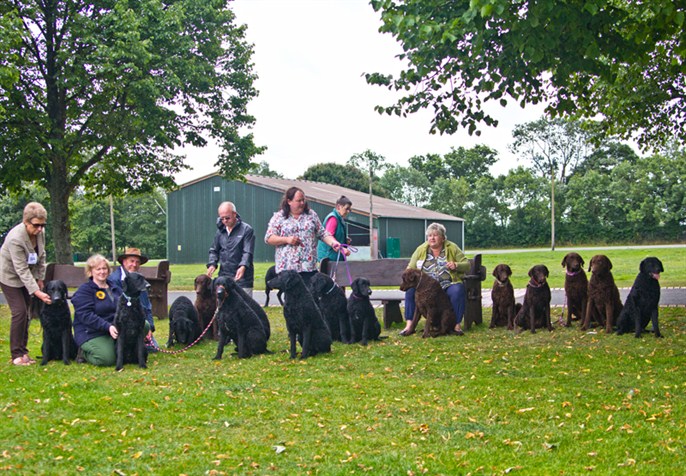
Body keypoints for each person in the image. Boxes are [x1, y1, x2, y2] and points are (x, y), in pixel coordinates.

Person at [0, 202, 52, 366]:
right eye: (36, 225)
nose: (40, 229)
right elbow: (20, 269)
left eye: (43, 225)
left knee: (28, 313)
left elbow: (41, 256)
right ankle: (16, 354)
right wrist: (37, 292)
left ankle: (24, 351)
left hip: (28, 275)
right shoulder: (16, 238)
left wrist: (40, 278)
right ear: (26, 222)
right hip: (10, 276)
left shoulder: (40, 233)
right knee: (20, 312)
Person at [399, 222, 470, 336]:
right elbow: (410, 268)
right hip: (425, 288)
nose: (432, 238)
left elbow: (467, 265)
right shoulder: (421, 249)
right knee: (410, 291)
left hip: (447, 285)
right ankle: (409, 325)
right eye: (430, 235)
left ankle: (456, 325)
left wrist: (456, 265)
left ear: (442, 237)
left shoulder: (452, 247)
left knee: (458, 290)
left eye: (435, 235)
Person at [265, 187, 342, 283]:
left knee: (310, 296)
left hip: (308, 268)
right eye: (299, 201)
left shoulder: (311, 215)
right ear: (289, 201)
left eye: (303, 200)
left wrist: (334, 243)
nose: (302, 203)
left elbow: (322, 233)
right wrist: (286, 239)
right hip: (288, 269)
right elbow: (269, 238)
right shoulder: (279, 217)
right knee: (292, 297)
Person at [71, 254, 121, 366]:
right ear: (90, 271)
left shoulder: (115, 288)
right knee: (107, 359)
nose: (102, 272)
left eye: (104, 268)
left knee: (144, 324)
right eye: (98, 269)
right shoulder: (84, 291)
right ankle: (83, 353)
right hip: (91, 332)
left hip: (113, 329)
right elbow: (86, 316)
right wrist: (107, 326)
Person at [108, 248, 158, 351]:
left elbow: (147, 306)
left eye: (137, 262)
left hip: (139, 322)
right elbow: (115, 309)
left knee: (153, 348)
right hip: (120, 324)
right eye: (131, 261)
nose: (134, 265)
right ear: (124, 261)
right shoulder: (113, 280)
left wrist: (149, 328)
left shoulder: (139, 280)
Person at [206, 201, 256, 295]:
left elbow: (247, 252)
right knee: (224, 307)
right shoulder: (220, 231)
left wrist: (243, 266)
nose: (225, 221)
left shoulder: (247, 230)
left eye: (227, 218)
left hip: (242, 278)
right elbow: (214, 250)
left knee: (244, 307)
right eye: (222, 218)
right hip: (224, 277)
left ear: (234, 214)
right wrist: (212, 264)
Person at [317, 195, 353, 263]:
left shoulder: (340, 218)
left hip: (334, 257)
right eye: (346, 208)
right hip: (328, 258)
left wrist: (344, 240)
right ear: (339, 207)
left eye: (350, 210)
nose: (348, 211)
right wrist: (342, 249)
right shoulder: (333, 218)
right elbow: (329, 237)